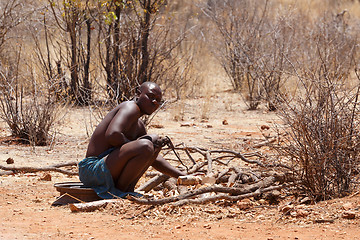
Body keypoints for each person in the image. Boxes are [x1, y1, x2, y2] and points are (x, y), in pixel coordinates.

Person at [78, 82, 185, 199]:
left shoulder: (139, 125)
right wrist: (139, 146)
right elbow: (113, 135)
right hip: (92, 170)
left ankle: (124, 191)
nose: (154, 102)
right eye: (150, 97)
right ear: (138, 93)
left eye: (158, 100)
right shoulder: (130, 107)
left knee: (154, 142)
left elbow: (152, 156)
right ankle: (119, 192)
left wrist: (183, 176)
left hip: (104, 171)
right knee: (148, 143)